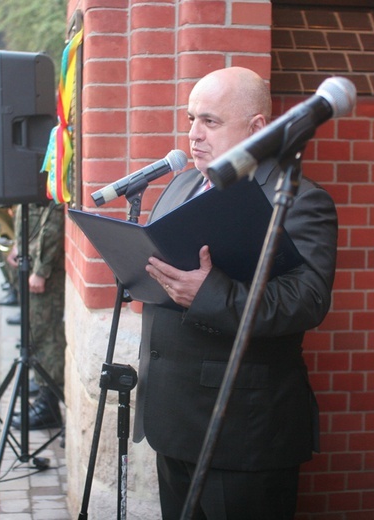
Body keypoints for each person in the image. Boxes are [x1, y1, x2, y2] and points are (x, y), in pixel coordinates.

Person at [133, 67, 338, 519]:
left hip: (243, 432)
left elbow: (307, 300)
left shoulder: (301, 198)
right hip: (171, 417)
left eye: (210, 121)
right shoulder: (182, 183)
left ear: (257, 128)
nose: (193, 134)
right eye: (190, 120)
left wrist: (211, 293)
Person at [8, 202, 67, 430]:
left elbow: (52, 224)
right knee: (37, 333)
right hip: (34, 262)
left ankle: (49, 406)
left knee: (46, 337)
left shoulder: (44, 171)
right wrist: (19, 246)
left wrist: (41, 271)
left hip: (46, 273)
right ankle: (44, 398)